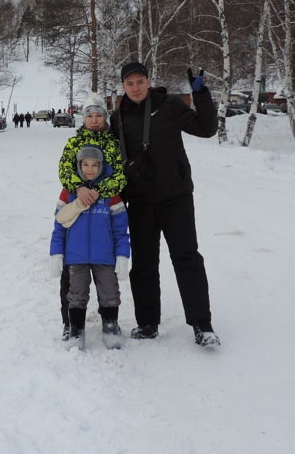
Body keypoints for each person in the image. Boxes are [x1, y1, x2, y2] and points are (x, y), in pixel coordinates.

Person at [110, 61, 220, 347]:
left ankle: (202, 325)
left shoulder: (169, 105)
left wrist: (201, 94)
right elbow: (105, 158)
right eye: (129, 83)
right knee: (144, 265)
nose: (135, 88)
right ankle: (147, 323)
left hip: (176, 196)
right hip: (141, 202)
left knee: (187, 258)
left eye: (140, 82)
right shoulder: (117, 117)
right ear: (123, 87)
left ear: (148, 81)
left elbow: (206, 128)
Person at [55, 92, 126, 340]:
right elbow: (64, 169)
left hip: (104, 206)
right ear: (83, 119)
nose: (94, 120)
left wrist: (97, 192)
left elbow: (119, 174)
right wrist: (79, 188)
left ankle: (110, 322)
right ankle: (71, 324)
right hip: (77, 206)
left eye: (99, 115)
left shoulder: (112, 143)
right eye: (90, 116)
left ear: (105, 118)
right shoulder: (74, 143)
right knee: (73, 274)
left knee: (105, 273)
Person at [50, 145, 130, 349]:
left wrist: (122, 255)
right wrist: (56, 252)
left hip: (105, 256)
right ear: (78, 165)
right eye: (85, 164)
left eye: (95, 165)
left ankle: (111, 326)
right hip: (75, 256)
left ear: (101, 166)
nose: (90, 169)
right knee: (76, 295)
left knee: (110, 292)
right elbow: (59, 226)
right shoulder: (68, 192)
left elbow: (121, 229)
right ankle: (76, 331)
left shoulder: (111, 193)